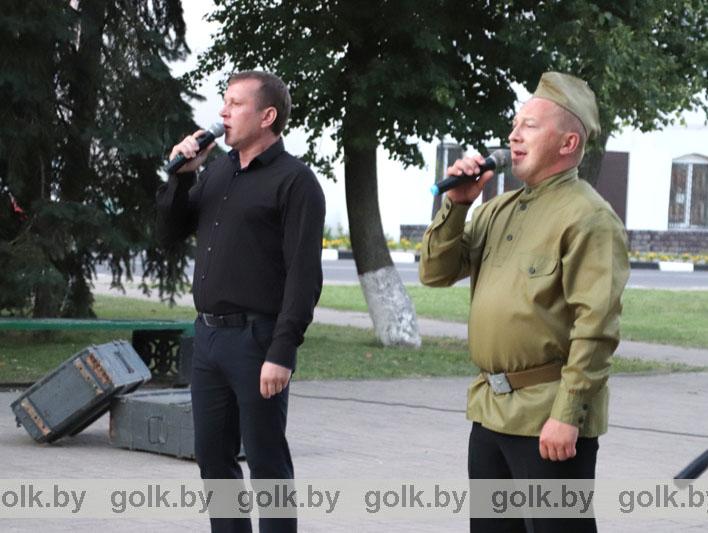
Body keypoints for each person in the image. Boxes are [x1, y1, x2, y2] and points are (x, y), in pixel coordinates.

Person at [419, 72, 629, 532]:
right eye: (514, 125)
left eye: (529, 126)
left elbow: (596, 328)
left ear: (568, 143)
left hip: (547, 418)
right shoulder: (497, 209)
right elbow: (434, 273)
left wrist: (568, 415)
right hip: (491, 413)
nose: (513, 135)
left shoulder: (590, 218)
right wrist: (457, 204)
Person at [156, 71, 325, 533]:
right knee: (213, 460)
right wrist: (181, 178)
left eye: (234, 104)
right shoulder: (217, 171)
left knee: (267, 464)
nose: (223, 112)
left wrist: (282, 351)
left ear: (267, 116)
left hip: (257, 339)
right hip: (208, 338)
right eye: (224, 102)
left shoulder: (296, 181)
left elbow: (304, 276)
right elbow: (168, 234)